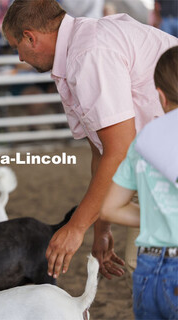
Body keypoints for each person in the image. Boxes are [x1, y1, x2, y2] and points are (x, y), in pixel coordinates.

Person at [1, 0, 178, 280]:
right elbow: (103, 151)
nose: (20, 57)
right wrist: (101, 228)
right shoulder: (81, 47)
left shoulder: (87, 54)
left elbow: (118, 150)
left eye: (16, 47)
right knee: (145, 262)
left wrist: (76, 228)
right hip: (160, 158)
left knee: (154, 266)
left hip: (166, 159)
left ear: (30, 36)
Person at [100, 46, 178, 320]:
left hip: (148, 268)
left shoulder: (143, 140)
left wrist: (161, 217)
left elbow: (110, 208)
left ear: (160, 95)